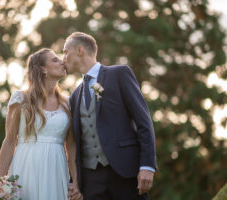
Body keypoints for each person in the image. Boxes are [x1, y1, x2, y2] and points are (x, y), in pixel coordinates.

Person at [64, 32, 157, 200]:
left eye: (65, 51)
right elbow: (76, 142)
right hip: (91, 180)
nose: (63, 58)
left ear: (79, 50)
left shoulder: (119, 74)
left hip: (125, 171)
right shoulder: (74, 95)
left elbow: (143, 121)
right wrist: (74, 181)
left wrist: (147, 166)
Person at [0, 48, 82, 200]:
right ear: (43, 69)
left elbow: (71, 146)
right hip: (26, 165)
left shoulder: (68, 103)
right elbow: (9, 141)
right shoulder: (20, 99)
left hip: (56, 168)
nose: (63, 62)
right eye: (55, 60)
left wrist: (76, 181)